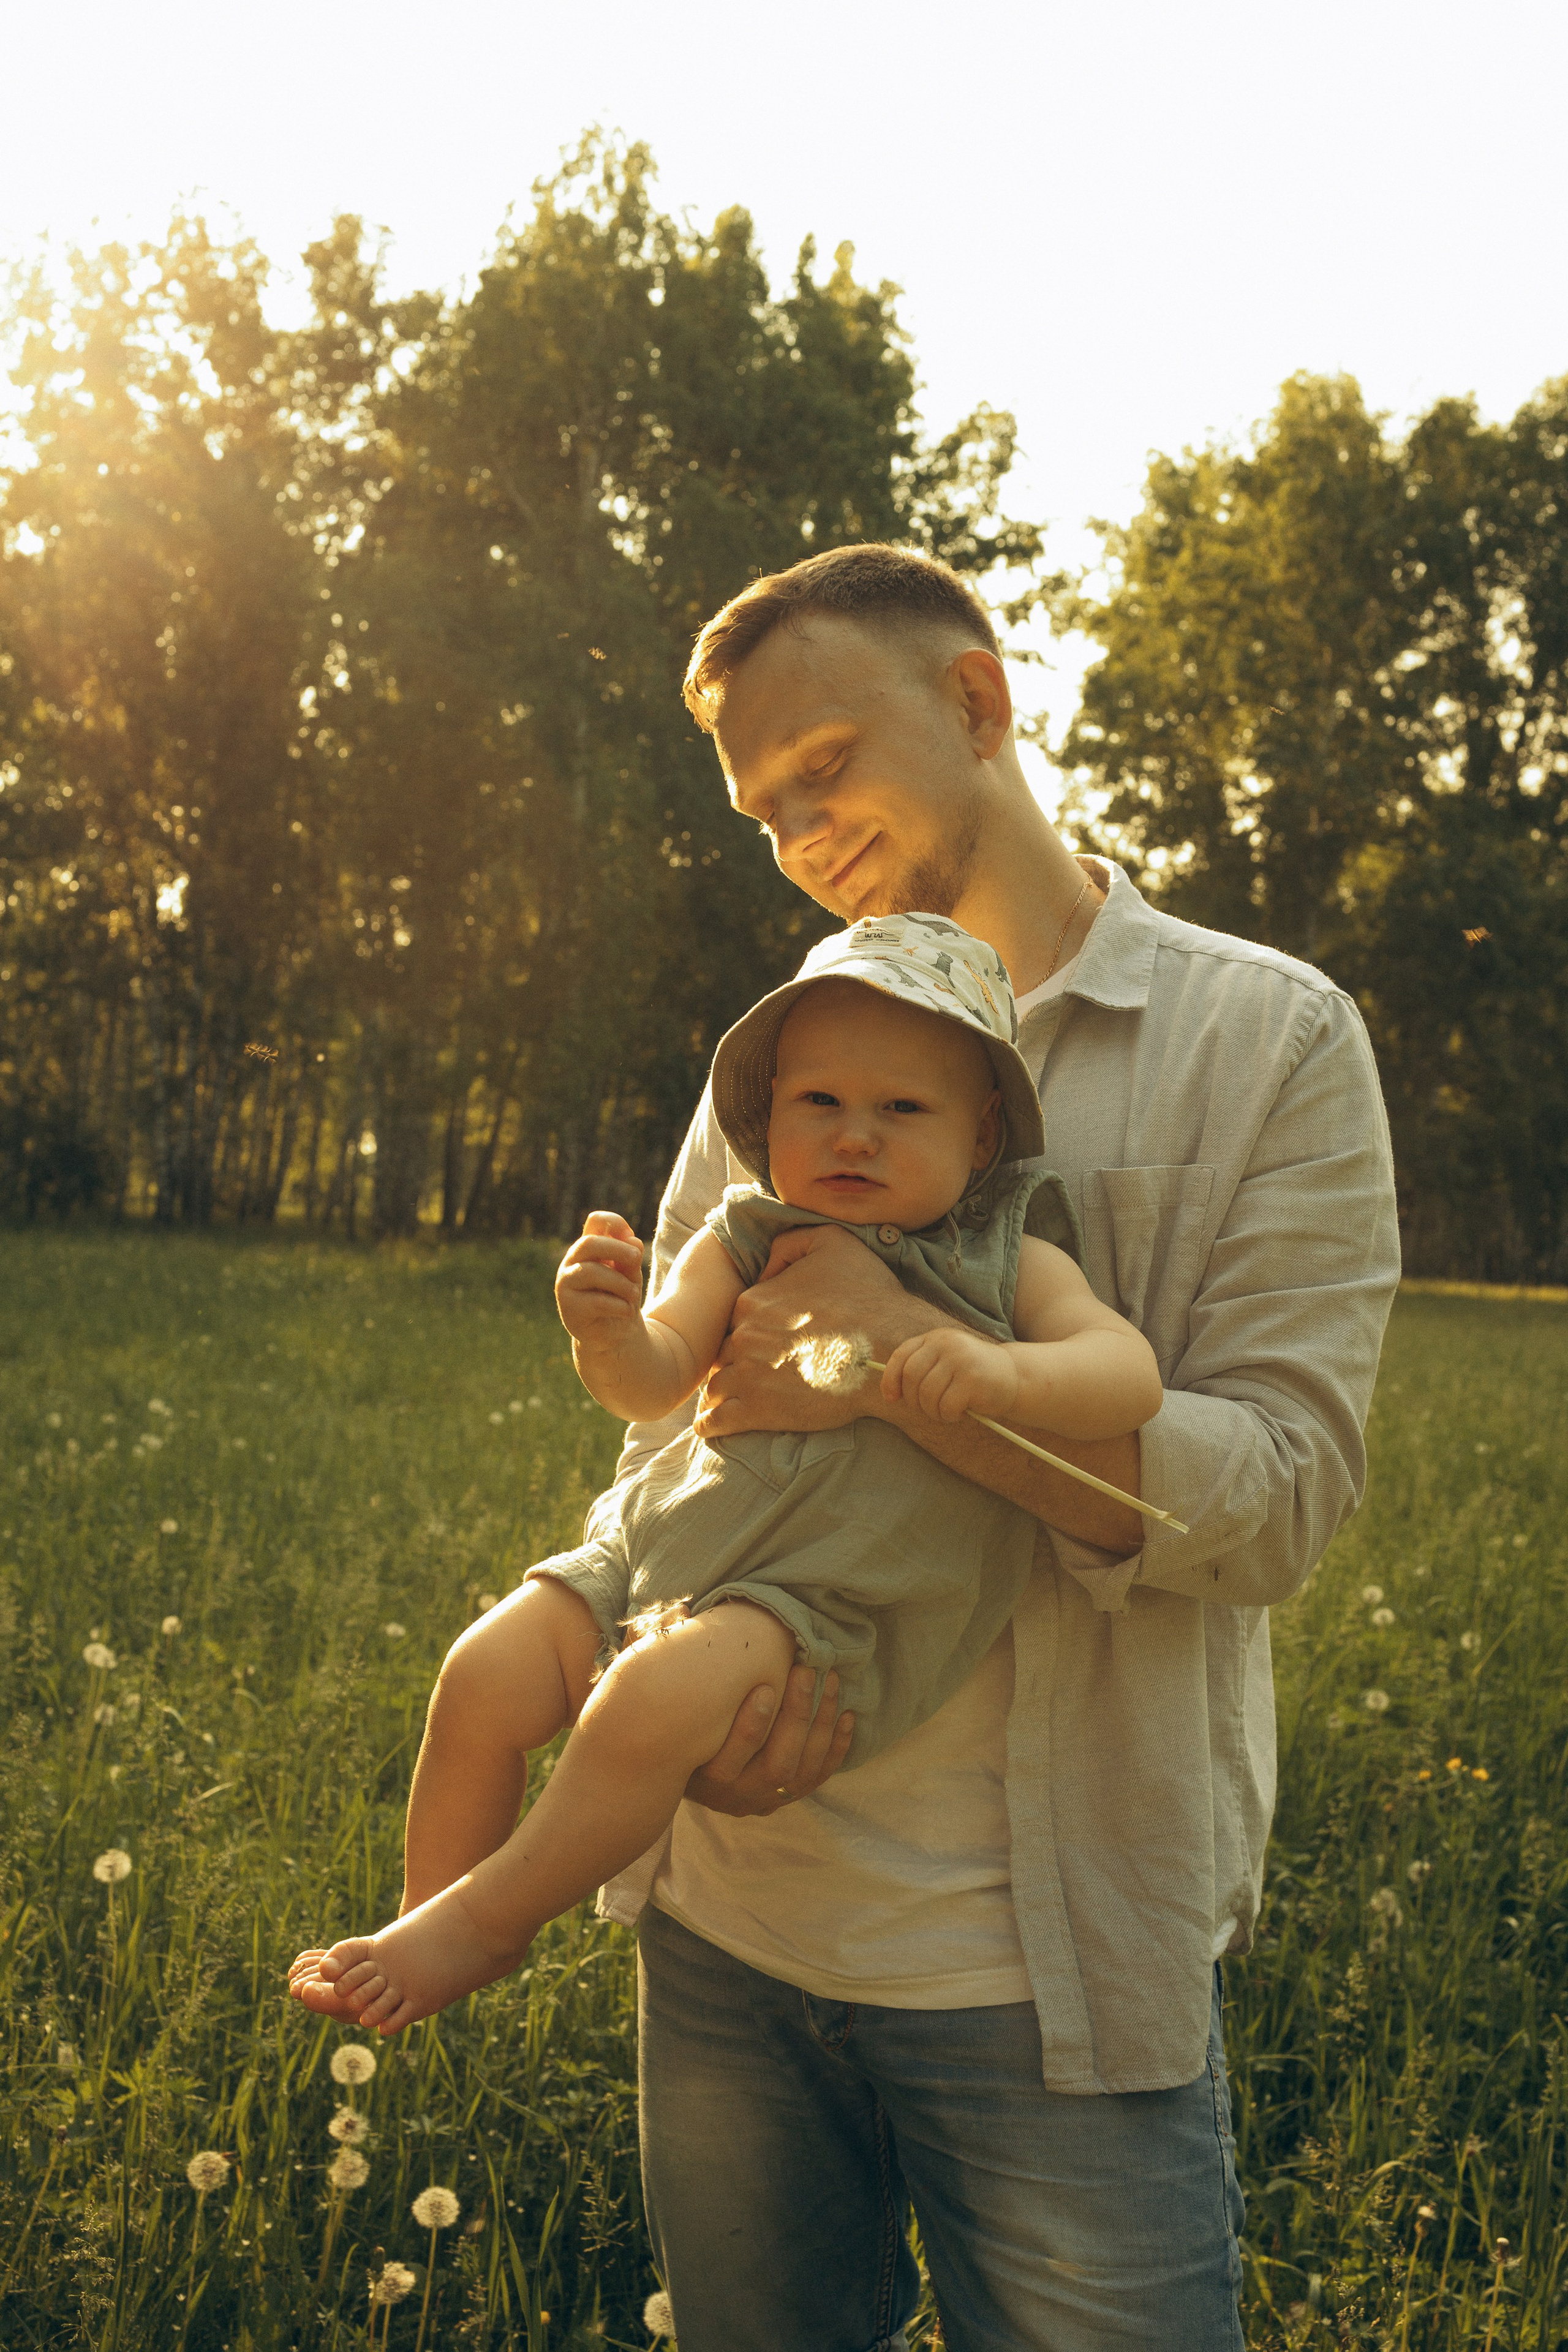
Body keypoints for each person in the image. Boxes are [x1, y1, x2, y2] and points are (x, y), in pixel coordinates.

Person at [601, 545, 1401, 2352]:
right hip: (729, 1934)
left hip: (1046, 1971)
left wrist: (914, 1369)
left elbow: (1277, 1500)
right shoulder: (792, 1046)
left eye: (824, 765)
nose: (798, 832)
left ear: (979, 703)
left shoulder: (1266, 1041)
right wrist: (659, 1665)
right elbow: (675, 1416)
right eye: (761, 810)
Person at [286, 916, 1164, 2036]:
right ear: (769, 1117)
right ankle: (428, 1912)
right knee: (483, 1669)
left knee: (647, 1697)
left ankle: (489, 1920)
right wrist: (602, 1333)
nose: (857, 1136)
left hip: (823, 1604)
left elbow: (1125, 1374)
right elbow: (654, 1378)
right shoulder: (745, 1234)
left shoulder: (1009, 1263)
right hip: (662, 1546)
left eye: (904, 1109)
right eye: (820, 1104)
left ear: (984, 1135)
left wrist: (1003, 1377)